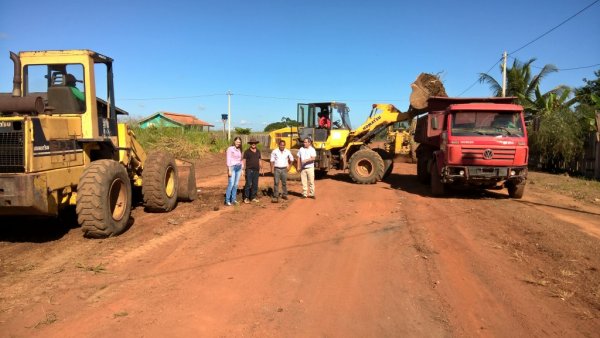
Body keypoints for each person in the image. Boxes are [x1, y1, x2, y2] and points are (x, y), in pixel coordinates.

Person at [224, 136, 243, 206]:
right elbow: (228, 159)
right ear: (234, 141)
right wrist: (229, 170)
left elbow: (240, 160)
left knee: (236, 185)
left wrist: (242, 169)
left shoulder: (240, 149)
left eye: (239, 142)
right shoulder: (230, 149)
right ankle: (227, 200)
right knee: (231, 184)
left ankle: (233, 199)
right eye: (237, 141)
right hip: (232, 168)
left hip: (239, 167)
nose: (238, 143)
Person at [243, 137, 262, 203]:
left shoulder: (258, 151)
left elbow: (259, 160)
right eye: (252, 143)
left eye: (254, 143)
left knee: (255, 184)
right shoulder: (247, 152)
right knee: (248, 183)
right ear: (250, 144)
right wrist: (243, 169)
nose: (253, 144)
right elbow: (244, 160)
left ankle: (253, 197)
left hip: (256, 170)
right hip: (249, 170)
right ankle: (246, 198)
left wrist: (261, 168)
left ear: (256, 144)